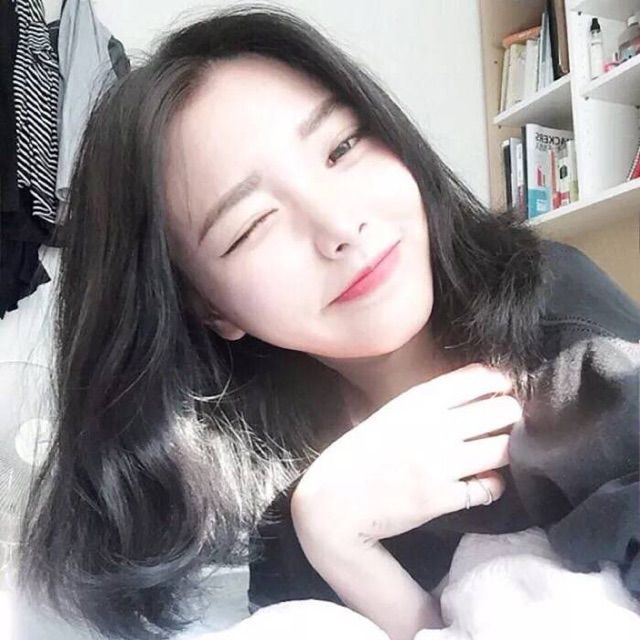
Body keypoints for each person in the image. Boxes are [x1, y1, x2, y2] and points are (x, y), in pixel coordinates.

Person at [14, 5, 640, 640]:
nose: (341, 227)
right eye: (252, 225)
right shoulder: (277, 489)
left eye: (342, 148)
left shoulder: (568, 333)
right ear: (210, 308)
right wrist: (335, 539)